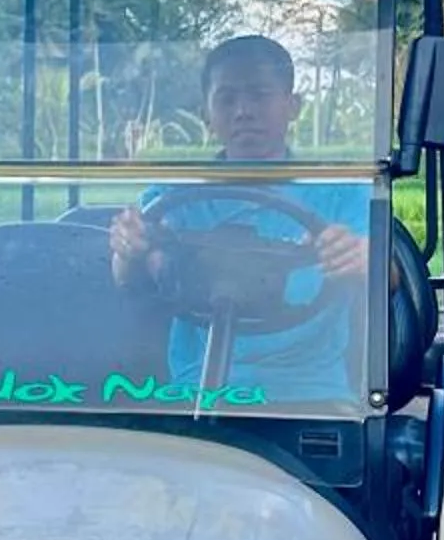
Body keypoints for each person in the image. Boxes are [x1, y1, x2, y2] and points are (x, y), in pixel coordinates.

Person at [108, 34, 368, 405]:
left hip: (310, 395)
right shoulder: (173, 197)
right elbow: (129, 276)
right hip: (196, 392)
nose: (243, 110)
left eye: (259, 95)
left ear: (292, 105)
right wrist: (128, 247)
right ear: (206, 112)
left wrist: (358, 256)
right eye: (227, 98)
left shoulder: (340, 192)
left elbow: (383, 272)